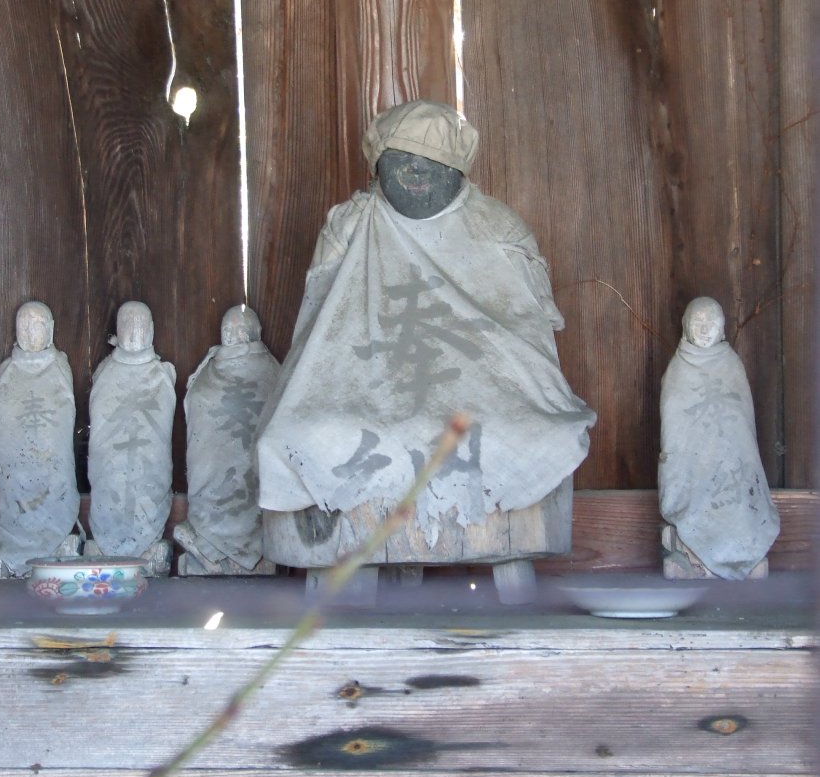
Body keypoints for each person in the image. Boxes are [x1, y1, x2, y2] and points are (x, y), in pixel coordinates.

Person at [257, 100, 595, 594]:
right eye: (401, 160)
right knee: (305, 432)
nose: (415, 173)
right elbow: (318, 330)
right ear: (377, 167)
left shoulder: (495, 228)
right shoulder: (351, 225)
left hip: (480, 388)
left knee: (532, 432)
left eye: (431, 162)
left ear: (457, 171)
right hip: (364, 384)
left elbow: (529, 331)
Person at [658, 296, 779, 579]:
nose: (704, 329)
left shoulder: (732, 366)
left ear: (722, 328)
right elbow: (674, 427)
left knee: (742, 502)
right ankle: (694, 557)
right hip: (692, 471)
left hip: (734, 469)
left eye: (711, 322)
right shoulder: (678, 370)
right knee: (691, 504)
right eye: (698, 322)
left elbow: (743, 423)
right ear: (685, 325)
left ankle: (745, 554)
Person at [175, 305, 279, 575]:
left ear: (255, 333)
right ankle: (209, 548)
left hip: (250, 482)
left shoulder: (269, 371)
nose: (232, 335)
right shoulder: (209, 369)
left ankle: (247, 554)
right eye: (226, 330)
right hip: (212, 475)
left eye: (240, 330)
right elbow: (197, 406)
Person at [0, 301, 80, 578]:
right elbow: (0, 415)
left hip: (50, 464)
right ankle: (13, 554)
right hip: (15, 467)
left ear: (50, 330)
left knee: (54, 484)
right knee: (13, 491)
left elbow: (63, 416)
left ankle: (54, 544)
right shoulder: (7, 371)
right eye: (24, 326)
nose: (30, 332)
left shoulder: (59, 368)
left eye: (37, 325)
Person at [88, 301, 176, 566]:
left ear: (151, 330)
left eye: (141, 327)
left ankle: (147, 542)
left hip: (146, 476)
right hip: (112, 478)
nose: (134, 333)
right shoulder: (105, 372)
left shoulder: (162, 373)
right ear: (117, 330)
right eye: (128, 326)